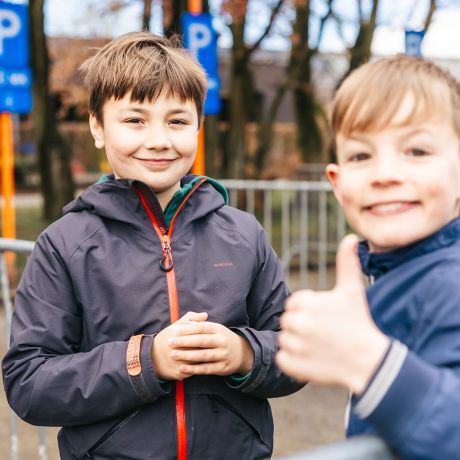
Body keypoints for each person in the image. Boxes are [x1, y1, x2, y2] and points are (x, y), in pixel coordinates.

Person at [2, 32, 301, 460]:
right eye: (135, 120)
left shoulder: (245, 234)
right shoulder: (64, 244)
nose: (159, 139)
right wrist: (146, 360)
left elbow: (294, 352)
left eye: (177, 120)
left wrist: (244, 353)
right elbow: (29, 383)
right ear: (97, 128)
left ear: (199, 126)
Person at [276, 54, 460, 460]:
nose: (385, 173)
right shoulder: (394, 275)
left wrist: (369, 362)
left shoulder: (452, 283)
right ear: (338, 185)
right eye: (361, 156)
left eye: (417, 150)